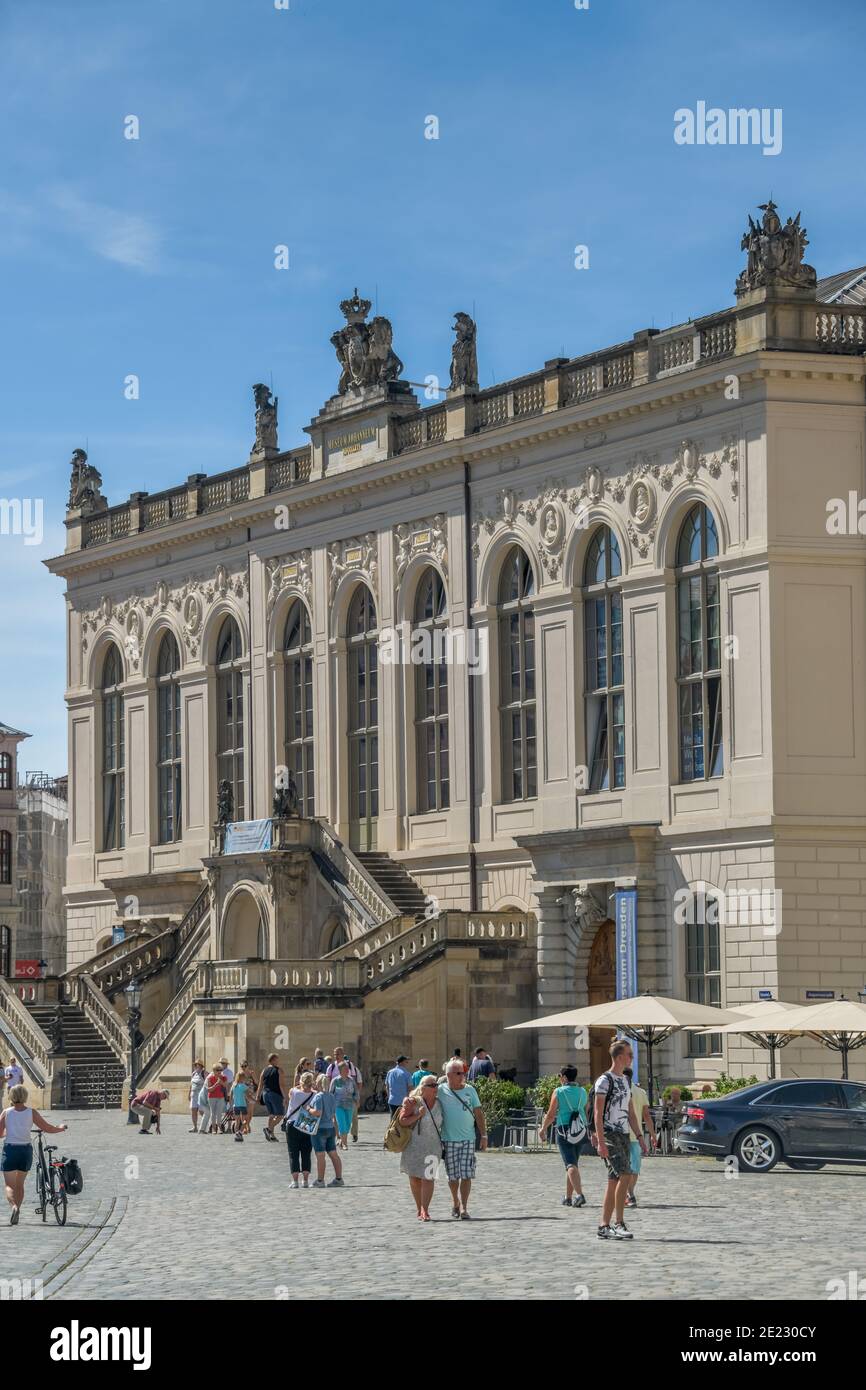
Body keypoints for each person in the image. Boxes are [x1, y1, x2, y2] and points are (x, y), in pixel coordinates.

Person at [591, 1039, 647, 1240]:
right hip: (609, 1134)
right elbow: (597, 1113)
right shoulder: (604, 1081)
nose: (631, 1058)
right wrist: (599, 1140)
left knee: (614, 1180)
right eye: (629, 1055)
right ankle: (619, 1223)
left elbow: (631, 1112)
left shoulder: (625, 1080)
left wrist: (639, 1136)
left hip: (624, 1134)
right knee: (625, 1173)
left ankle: (603, 1226)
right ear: (620, 1057)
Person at [0, 1084, 68, 1224]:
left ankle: (14, 1207)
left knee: (9, 1185)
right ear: (25, 1096)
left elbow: (0, 1133)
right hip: (25, 1151)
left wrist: (8, 1132)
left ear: (11, 1096)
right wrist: (60, 1129)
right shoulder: (31, 1112)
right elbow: (47, 1128)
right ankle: (18, 1207)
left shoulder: (6, 1113)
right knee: (20, 1184)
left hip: (10, 1150)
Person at [437, 1059, 487, 1220]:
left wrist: (484, 1135)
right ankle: (455, 1202)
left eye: (463, 1072)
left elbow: (478, 1113)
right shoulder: (440, 1091)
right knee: (453, 1176)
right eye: (459, 1073)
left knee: (466, 1174)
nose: (463, 1076)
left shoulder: (470, 1090)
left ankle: (464, 1207)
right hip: (448, 1139)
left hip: (468, 1139)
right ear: (449, 1075)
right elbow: (421, 1097)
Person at [539, 1065, 588, 1207]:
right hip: (580, 1129)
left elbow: (551, 1114)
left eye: (559, 1076)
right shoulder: (582, 1091)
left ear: (565, 1078)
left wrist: (543, 1129)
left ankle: (579, 1195)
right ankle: (568, 1197)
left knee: (570, 1164)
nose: (559, 1079)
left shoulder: (559, 1092)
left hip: (564, 1130)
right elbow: (585, 1110)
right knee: (572, 1164)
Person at [398, 1075, 443, 1221]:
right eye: (432, 1085)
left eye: (436, 1085)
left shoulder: (440, 1103)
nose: (435, 1087)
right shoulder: (413, 1102)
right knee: (415, 1179)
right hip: (413, 1148)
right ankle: (419, 1208)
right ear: (423, 1088)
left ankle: (425, 1209)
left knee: (428, 1178)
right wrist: (418, 1115)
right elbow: (403, 1121)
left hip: (433, 1147)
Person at [624, 1066, 656, 1208]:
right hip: (637, 1136)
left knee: (622, 1168)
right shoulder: (640, 1092)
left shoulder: (616, 1091)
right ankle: (630, 1192)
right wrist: (653, 1134)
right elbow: (646, 1116)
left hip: (620, 1135)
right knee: (635, 1168)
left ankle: (627, 1193)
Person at [305, 1084, 344, 1187]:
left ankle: (320, 1180)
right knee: (333, 1154)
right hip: (330, 1128)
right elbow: (334, 1114)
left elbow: (318, 1112)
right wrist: (337, 1133)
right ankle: (339, 1178)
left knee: (320, 1155)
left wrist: (308, 1109)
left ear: (318, 1083)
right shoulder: (331, 1096)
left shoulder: (319, 1096)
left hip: (319, 1129)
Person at [284, 1071, 316, 1188]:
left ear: (301, 1082)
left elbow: (292, 1089)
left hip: (293, 1124)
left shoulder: (294, 1092)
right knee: (306, 1152)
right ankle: (306, 1181)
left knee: (293, 1153)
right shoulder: (315, 1094)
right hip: (306, 1124)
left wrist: (300, 1084)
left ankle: (295, 1181)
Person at [329, 1061, 359, 1150]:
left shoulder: (351, 1080)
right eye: (345, 1069)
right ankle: (345, 1144)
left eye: (347, 1069)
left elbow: (356, 1092)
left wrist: (357, 1100)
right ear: (340, 1070)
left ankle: (342, 1141)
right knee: (341, 1123)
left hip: (350, 1105)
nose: (347, 1070)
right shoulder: (335, 1080)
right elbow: (331, 1093)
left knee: (347, 1125)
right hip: (338, 1105)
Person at [256, 1053, 286, 1142]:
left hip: (265, 1094)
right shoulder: (279, 1070)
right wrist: (285, 1097)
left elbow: (260, 1085)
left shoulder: (264, 1070)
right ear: (273, 1060)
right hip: (275, 1094)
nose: (278, 1061)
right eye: (277, 1059)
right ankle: (269, 1129)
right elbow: (281, 1085)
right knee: (280, 1115)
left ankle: (271, 1135)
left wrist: (258, 1096)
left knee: (272, 1115)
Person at [202, 1064, 229, 1133]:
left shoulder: (224, 1077)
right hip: (211, 1097)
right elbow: (209, 1090)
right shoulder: (210, 1078)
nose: (219, 1071)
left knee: (219, 1113)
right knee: (213, 1113)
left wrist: (221, 1082)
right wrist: (216, 1084)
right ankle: (214, 1128)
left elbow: (226, 1085)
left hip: (220, 1097)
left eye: (220, 1070)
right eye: (217, 1070)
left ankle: (220, 1128)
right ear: (213, 1071)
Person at [230, 1071, 251, 1142]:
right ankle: (240, 1132)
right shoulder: (243, 1086)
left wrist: (231, 1104)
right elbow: (248, 1095)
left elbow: (230, 1095)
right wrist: (254, 1100)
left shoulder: (234, 1085)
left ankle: (236, 1134)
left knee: (237, 1121)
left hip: (235, 1106)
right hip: (243, 1106)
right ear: (242, 1078)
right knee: (245, 1121)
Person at [189, 1060, 206, 1133]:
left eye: (197, 1065)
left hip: (201, 1095)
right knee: (193, 1110)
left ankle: (204, 1126)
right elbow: (191, 1084)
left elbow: (208, 1082)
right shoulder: (193, 1074)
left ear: (201, 1066)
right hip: (193, 1094)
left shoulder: (204, 1073)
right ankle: (195, 1127)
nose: (196, 1066)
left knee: (201, 1111)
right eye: (195, 1065)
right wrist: (189, 1093)